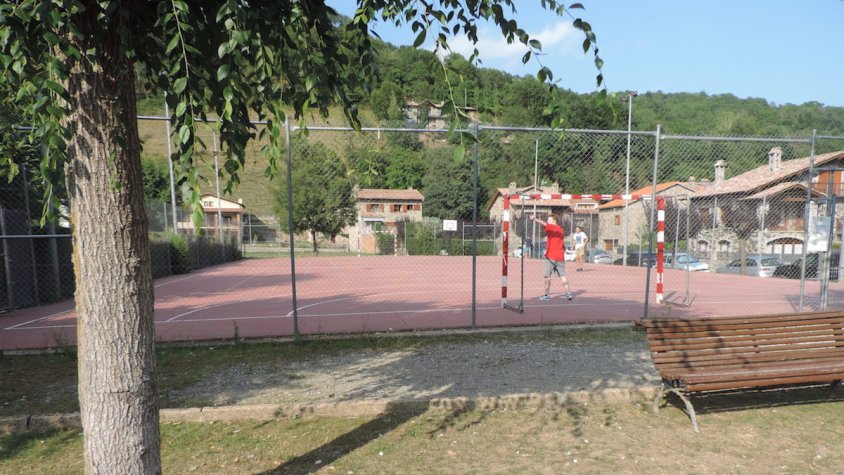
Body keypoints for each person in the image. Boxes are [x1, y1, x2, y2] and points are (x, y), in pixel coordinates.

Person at [528, 214, 573, 301]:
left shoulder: (552, 227)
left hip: (551, 256)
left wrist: (534, 219)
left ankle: (546, 295)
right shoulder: (560, 229)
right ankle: (568, 293)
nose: (548, 221)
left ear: (554, 221)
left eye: (549, 219)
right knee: (563, 275)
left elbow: (544, 223)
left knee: (547, 276)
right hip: (560, 257)